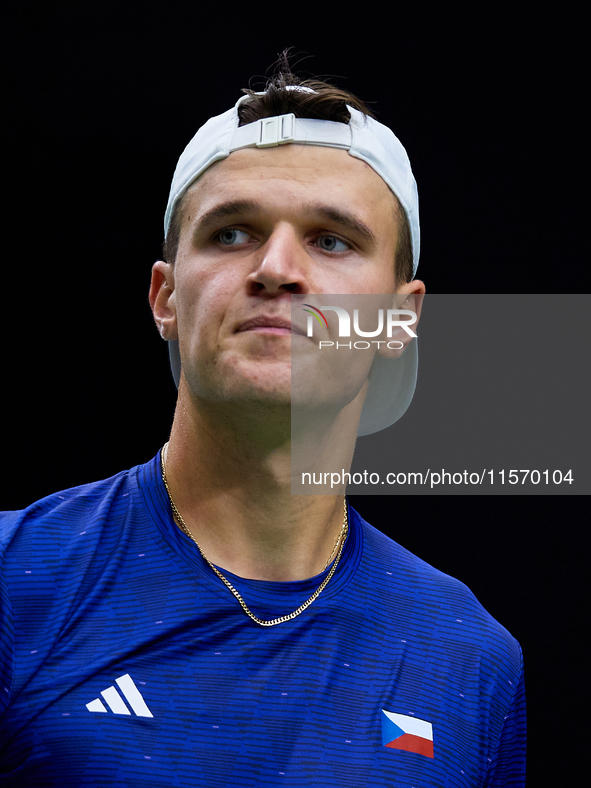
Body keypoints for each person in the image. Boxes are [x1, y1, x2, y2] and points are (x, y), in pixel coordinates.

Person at [0, 60, 525, 786]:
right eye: (232, 233)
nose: (276, 268)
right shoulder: (14, 580)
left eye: (332, 241)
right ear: (164, 297)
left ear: (399, 320)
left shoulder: (467, 654)